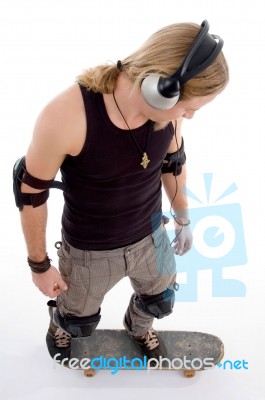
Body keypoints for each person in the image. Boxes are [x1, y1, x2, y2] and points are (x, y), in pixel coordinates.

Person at [14, 20, 229, 364]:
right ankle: (63, 326)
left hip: (152, 235)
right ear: (161, 88)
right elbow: (30, 192)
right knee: (78, 321)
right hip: (90, 250)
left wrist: (183, 217)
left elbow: (173, 161)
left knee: (161, 300)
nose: (190, 116)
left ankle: (138, 327)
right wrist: (39, 265)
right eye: (190, 107)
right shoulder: (66, 116)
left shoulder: (170, 112)